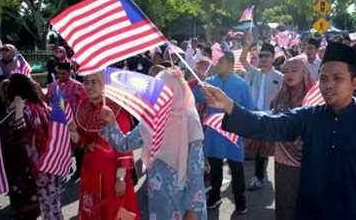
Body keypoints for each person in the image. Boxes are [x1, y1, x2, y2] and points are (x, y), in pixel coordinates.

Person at [202, 43, 356, 219]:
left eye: (337, 78)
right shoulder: (309, 117)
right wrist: (228, 105)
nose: (328, 85)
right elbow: (268, 125)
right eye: (323, 78)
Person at [99, 69, 207, 220]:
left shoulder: (190, 121)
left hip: (184, 201)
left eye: (163, 91)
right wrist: (111, 123)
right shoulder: (151, 119)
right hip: (159, 199)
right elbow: (124, 144)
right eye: (156, 91)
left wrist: (193, 210)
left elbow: (196, 170)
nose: (158, 96)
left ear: (176, 91)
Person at [69, 72, 139, 219]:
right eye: (86, 82)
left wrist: (120, 179)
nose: (88, 86)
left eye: (94, 82)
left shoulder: (116, 109)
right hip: (90, 173)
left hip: (112, 174)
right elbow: (82, 142)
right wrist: (73, 131)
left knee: (113, 213)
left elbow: (124, 146)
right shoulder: (84, 106)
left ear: (104, 84)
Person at [194, 51, 254, 214]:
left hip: (234, 133)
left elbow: (249, 109)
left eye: (220, 61)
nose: (216, 64)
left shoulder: (242, 85)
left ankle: (240, 200)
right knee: (215, 167)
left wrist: (248, 132)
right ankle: (215, 195)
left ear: (230, 63)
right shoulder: (208, 82)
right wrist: (197, 83)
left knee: (236, 168)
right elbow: (195, 100)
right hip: (214, 131)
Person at [4, 74, 63, 219]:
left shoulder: (24, 108)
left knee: (46, 201)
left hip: (36, 161)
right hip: (50, 156)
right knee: (53, 200)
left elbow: (20, 128)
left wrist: (16, 108)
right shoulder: (38, 104)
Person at [270, 58, 315, 220]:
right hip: (283, 160)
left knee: (306, 204)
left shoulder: (314, 98)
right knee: (285, 202)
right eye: (286, 71)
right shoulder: (281, 95)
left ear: (304, 73)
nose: (289, 74)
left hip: (309, 161)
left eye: (294, 70)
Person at [240, 35, 283, 191]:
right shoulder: (255, 72)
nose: (263, 58)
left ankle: (259, 177)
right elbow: (243, 60)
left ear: (273, 58)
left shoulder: (280, 77)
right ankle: (260, 175)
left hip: (271, 117)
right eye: (261, 55)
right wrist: (247, 44)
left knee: (264, 148)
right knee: (257, 147)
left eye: (267, 56)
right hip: (255, 114)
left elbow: (282, 97)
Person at [46, 62, 86, 179]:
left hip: (73, 120)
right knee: (64, 145)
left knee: (78, 145)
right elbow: (48, 99)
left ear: (69, 73)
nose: (60, 76)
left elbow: (85, 100)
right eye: (58, 73)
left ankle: (80, 168)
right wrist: (38, 89)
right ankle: (67, 167)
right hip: (59, 121)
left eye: (63, 73)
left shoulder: (77, 85)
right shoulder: (53, 85)